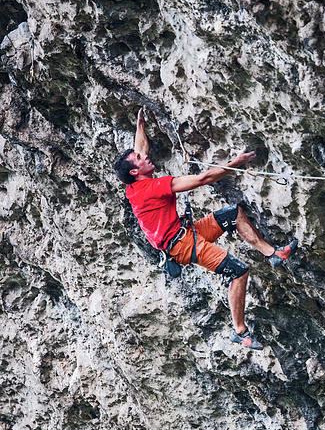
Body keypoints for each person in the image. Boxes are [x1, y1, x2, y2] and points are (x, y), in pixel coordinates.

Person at [113, 108, 296, 350]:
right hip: (183, 245)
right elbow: (202, 180)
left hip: (186, 234)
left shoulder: (134, 186)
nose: (144, 156)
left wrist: (140, 125)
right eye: (138, 159)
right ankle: (239, 331)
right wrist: (235, 164)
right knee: (239, 272)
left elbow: (141, 150)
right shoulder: (152, 188)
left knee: (233, 213)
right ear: (135, 172)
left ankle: (272, 253)